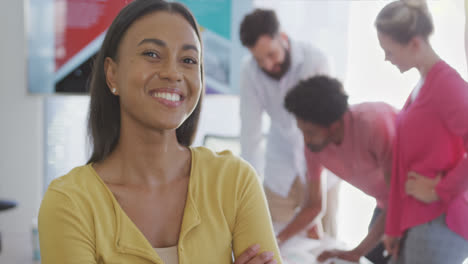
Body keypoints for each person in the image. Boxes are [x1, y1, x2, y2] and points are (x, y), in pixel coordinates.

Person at [38, 1, 282, 263]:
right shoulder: (69, 203)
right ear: (112, 73)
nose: (173, 73)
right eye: (152, 54)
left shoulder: (235, 181)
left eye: (188, 60)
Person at [375, 0, 468, 263]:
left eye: (389, 51)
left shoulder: (448, 86)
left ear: (415, 43)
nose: (386, 58)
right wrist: (393, 227)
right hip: (415, 223)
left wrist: (441, 189)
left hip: (440, 222)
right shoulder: (421, 88)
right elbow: (401, 164)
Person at [238, 8, 340, 243]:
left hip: (322, 167)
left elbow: (327, 123)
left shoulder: (316, 61)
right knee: (272, 242)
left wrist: (313, 204)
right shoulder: (249, 72)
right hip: (279, 169)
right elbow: (250, 134)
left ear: (282, 38)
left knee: (325, 245)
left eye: (271, 55)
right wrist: (246, 186)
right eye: (259, 59)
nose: (266, 64)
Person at [284, 75, 397, 264]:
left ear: (334, 126)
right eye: (302, 131)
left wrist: (357, 251)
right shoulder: (313, 147)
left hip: (418, 202)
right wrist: (276, 241)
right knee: (371, 260)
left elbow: (399, 197)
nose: (306, 140)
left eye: (310, 132)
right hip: (386, 205)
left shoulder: (373, 123)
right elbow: (313, 205)